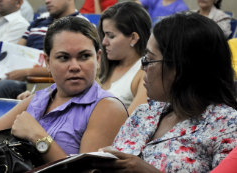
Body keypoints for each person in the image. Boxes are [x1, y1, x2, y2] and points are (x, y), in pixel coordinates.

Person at [92, 12, 237, 173]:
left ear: (181, 67)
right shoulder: (144, 113)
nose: (143, 67)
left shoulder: (227, 125)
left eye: (149, 59)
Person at [0, 16, 128, 163]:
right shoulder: (40, 97)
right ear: (48, 62)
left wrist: (38, 136)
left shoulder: (107, 107)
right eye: (63, 58)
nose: (75, 66)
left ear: (98, 58)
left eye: (84, 56)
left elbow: (85, 171)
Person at [0, 0, 88, 101]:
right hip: (20, 72)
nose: (47, 1)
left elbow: (66, 66)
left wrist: (25, 73)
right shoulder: (40, 20)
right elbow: (15, 51)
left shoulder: (80, 25)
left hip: (44, 79)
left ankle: (3, 123)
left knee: (4, 86)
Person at [97, 2, 151, 115]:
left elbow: (129, 126)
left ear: (133, 38)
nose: (104, 42)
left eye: (111, 36)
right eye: (104, 35)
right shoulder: (103, 66)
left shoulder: (145, 74)